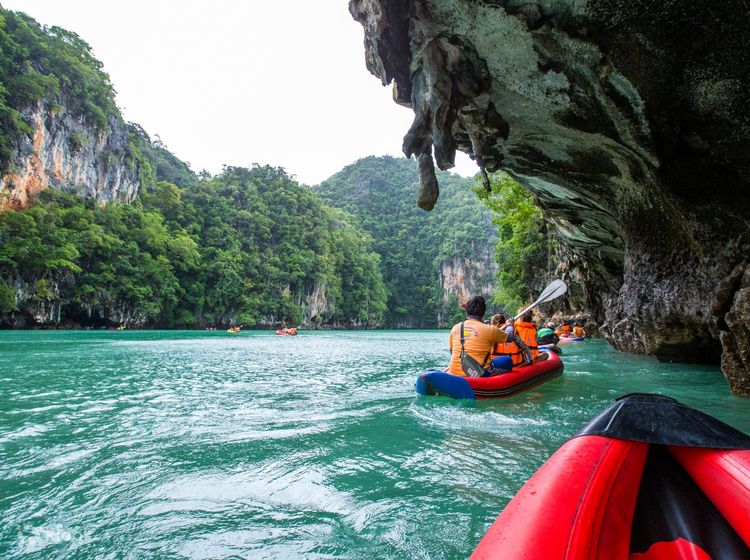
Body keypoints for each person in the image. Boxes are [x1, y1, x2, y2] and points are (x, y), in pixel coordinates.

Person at [447, 296, 508, 376]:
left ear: (467, 312)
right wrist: (510, 325)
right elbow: (509, 337)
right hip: (478, 373)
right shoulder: (490, 329)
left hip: (454, 372)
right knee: (507, 360)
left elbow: (452, 352)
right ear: (483, 312)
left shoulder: (455, 328)